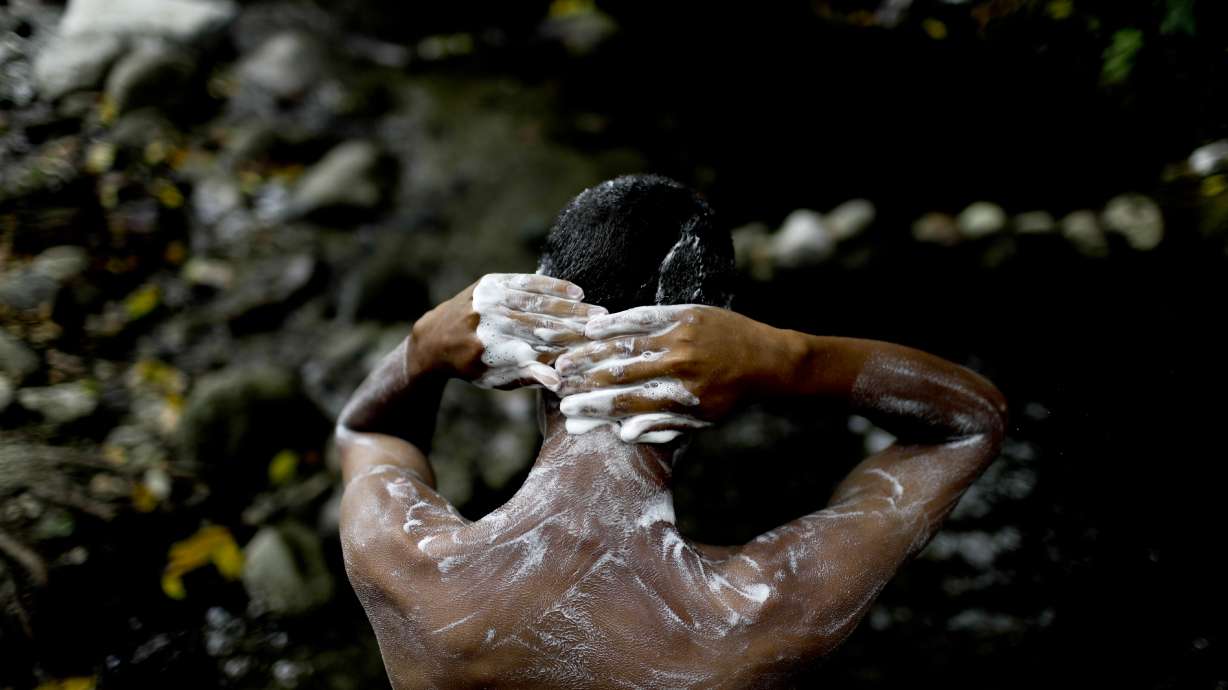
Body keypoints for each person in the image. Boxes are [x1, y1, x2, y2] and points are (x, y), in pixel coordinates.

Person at [336, 175, 1008, 689]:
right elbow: (969, 426)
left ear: (522, 341)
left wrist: (424, 346)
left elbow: (362, 428)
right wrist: (791, 360)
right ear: (719, 349)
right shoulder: (755, 616)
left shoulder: (404, 564)